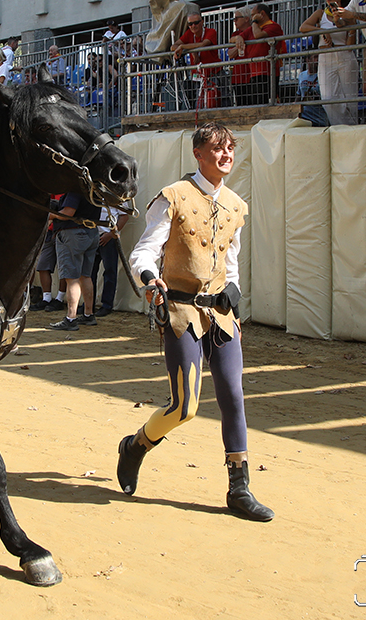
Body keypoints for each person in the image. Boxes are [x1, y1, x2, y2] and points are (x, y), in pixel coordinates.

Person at [117, 122, 273, 522]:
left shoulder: (237, 205)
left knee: (233, 397)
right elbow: (143, 253)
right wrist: (150, 280)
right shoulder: (172, 197)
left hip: (221, 315)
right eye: (217, 149)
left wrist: (234, 289)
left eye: (230, 149)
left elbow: (231, 261)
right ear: (198, 155)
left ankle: (239, 488)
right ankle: (136, 446)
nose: (226, 156)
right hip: (182, 313)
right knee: (185, 407)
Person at [299, 0, 358, 125]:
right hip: (325, 57)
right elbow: (303, 27)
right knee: (328, 98)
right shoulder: (320, 14)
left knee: (349, 98)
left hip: (344, 55)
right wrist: (323, 31)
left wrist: (347, 27)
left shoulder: (348, 14)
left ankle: (352, 128)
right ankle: (338, 127)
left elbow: (350, 44)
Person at [47, 189, 102, 331]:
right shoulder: (94, 191)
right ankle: (88, 314)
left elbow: (68, 213)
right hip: (91, 233)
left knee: (71, 278)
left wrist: (50, 215)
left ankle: (71, 318)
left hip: (72, 233)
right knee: (86, 276)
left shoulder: (74, 191)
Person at [229, 3, 284, 106]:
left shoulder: (273, 26)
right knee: (254, 103)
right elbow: (234, 38)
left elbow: (258, 35)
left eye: (253, 15)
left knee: (265, 103)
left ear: (261, 14)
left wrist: (254, 22)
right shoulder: (253, 28)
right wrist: (239, 38)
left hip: (268, 72)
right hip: (254, 72)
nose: (251, 18)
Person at [172, 12, 223, 109]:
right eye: (190, 24)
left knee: (214, 102)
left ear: (202, 22)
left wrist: (183, 47)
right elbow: (173, 47)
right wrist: (191, 51)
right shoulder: (189, 34)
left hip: (213, 73)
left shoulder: (211, 31)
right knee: (198, 104)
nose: (193, 26)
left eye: (196, 23)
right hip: (198, 76)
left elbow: (204, 44)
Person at [90, 202, 131, 317]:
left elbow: (124, 216)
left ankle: (107, 305)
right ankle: (89, 305)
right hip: (92, 235)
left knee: (109, 271)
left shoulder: (116, 194)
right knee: (89, 273)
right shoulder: (93, 192)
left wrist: (110, 235)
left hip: (108, 237)